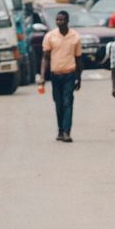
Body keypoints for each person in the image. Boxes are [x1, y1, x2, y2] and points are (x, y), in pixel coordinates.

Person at [40, 9, 82, 142]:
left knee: (67, 102)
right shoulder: (50, 36)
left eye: (62, 20)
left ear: (67, 21)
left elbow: (79, 58)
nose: (60, 22)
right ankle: (60, 130)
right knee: (58, 103)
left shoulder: (75, 37)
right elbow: (45, 58)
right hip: (55, 75)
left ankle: (67, 132)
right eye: (58, 20)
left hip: (69, 74)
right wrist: (42, 77)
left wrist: (79, 78)